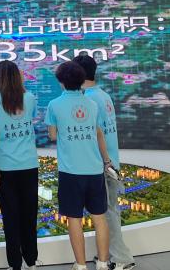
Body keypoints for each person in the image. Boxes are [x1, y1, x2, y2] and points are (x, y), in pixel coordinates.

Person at [45, 61, 113, 270]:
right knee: (100, 218)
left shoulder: (54, 105)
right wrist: (107, 160)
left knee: (74, 219)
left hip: (70, 171)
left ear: (61, 82)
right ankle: (103, 263)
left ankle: (81, 265)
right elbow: (98, 133)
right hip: (94, 169)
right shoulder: (92, 104)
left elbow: (52, 135)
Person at [74, 54, 136, 270]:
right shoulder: (103, 95)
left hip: (101, 164)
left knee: (108, 214)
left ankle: (122, 258)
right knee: (109, 212)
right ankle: (108, 255)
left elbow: (95, 136)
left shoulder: (89, 100)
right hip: (110, 162)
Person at [0, 61, 39, 270]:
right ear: (18, 76)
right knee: (29, 215)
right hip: (29, 165)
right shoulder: (30, 98)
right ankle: (31, 261)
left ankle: (15, 264)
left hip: (5, 167)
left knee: (11, 217)